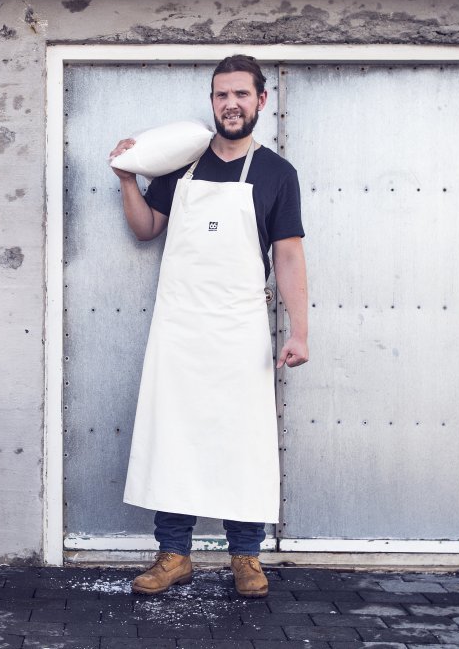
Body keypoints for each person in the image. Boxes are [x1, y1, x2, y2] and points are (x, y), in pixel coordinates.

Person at [108, 55, 308, 598]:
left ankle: (246, 558)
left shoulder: (275, 174)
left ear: (260, 101)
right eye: (222, 95)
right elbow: (147, 228)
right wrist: (128, 178)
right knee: (174, 436)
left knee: (243, 441)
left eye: (242, 94)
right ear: (213, 101)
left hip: (240, 329)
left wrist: (299, 331)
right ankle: (173, 555)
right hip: (180, 327)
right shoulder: (181, 167)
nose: (231, 104)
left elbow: (288, 256)